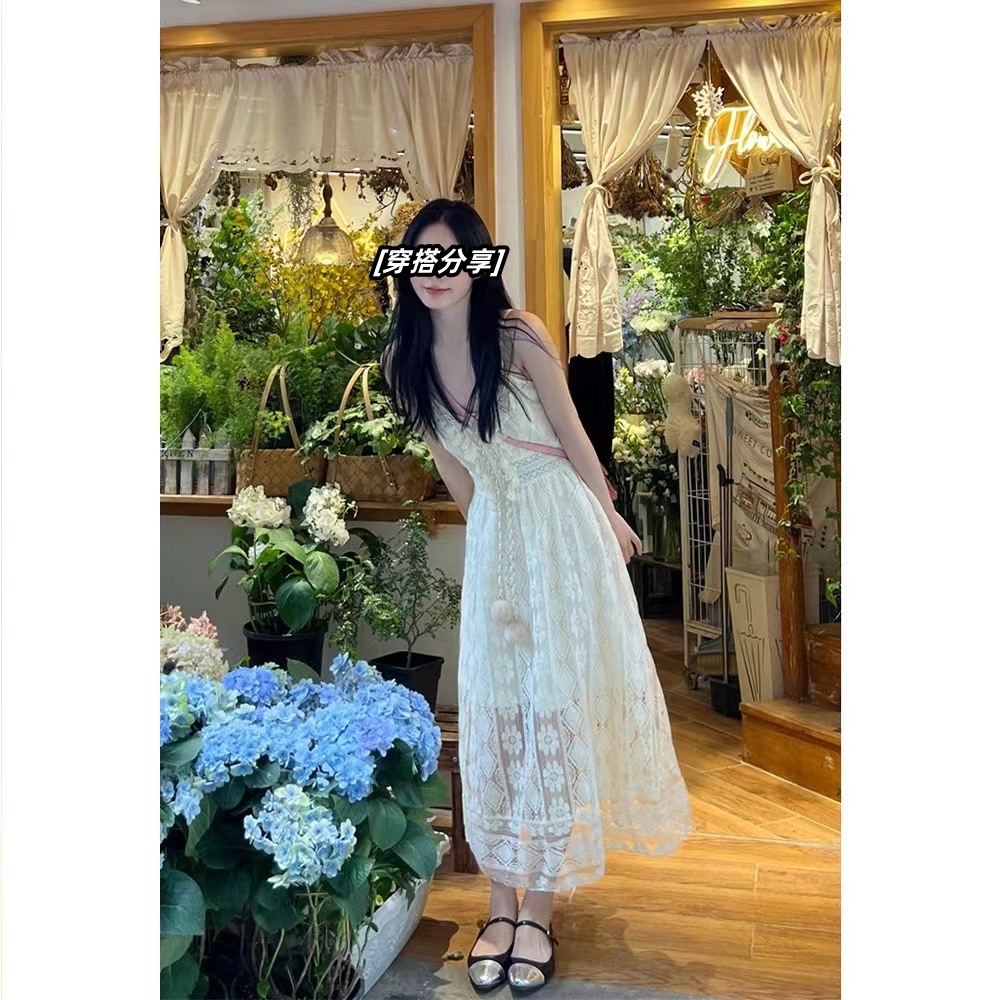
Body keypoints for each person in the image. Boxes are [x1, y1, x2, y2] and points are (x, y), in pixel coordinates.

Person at [380, 199, 693, 995]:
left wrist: (609, 515)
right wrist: (490, 545)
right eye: (421, 258)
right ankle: (498, 904)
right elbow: (456, 472)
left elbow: (572, 434)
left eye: (451, 256)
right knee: (496, 717)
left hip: (560, 527)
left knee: (552, 715)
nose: (436, 273)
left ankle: (539, 911)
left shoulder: (517, 336)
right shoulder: (404, 362)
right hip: (499, 539)